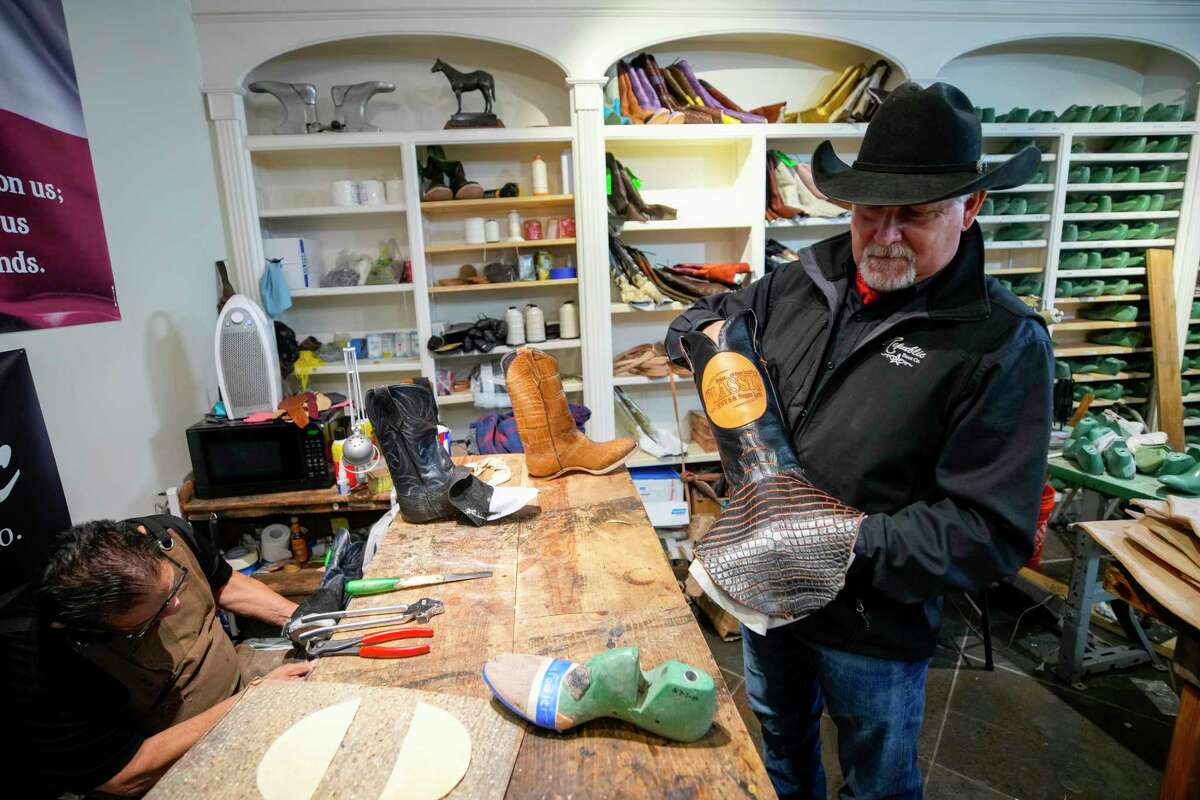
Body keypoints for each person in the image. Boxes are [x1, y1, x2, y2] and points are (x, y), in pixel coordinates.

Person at [666, 82, 1054, 800]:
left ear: (971, 208)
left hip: (873, 625)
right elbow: (715, 314)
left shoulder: (999, 343)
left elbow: (989, 528)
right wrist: (705, 345)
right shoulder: (801, 281)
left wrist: (838, 542)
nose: (884, 235)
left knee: (877, 784)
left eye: (914, 215)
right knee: (781, 748)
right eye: (869, 210)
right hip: (767, 597)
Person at [4, 514, 313, 796]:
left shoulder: (162, 535)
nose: (177, 606)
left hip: (241, 690)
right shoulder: (35, 663)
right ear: (95, 629)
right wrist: (251, 702)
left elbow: (227, 585)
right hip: (170, 769)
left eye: (174, 586)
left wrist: (306, 622)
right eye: (157, 614)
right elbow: (124, 776)